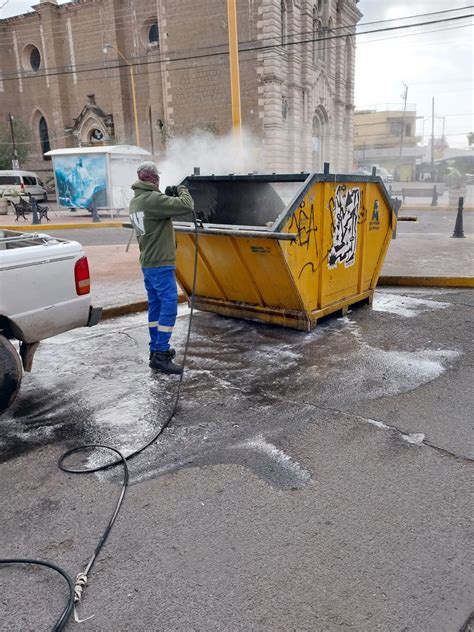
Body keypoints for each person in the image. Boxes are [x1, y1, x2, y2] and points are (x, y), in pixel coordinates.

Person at [129, 161, 194, 374]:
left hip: (148, 263)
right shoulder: (152, 199)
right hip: (161, 264)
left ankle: (155, 349)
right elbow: (187, 205)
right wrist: (182, 189)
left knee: (155, 307)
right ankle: (160, 353)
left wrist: (166, 198)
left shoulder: (136, 200)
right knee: (169, 306)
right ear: (155, 179)